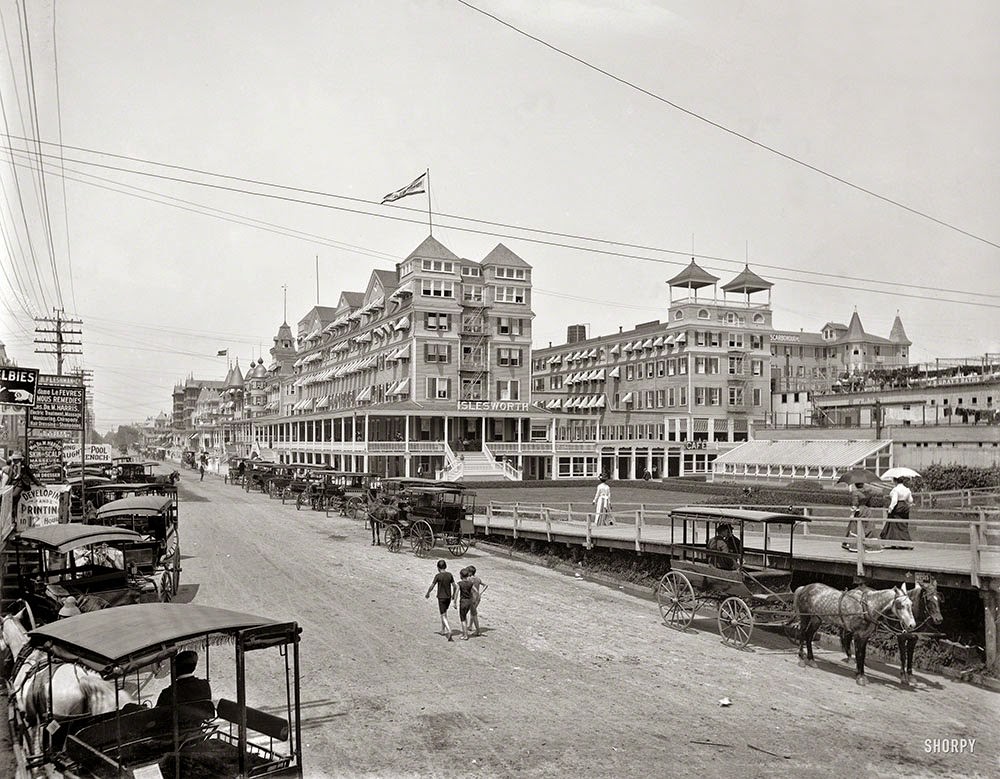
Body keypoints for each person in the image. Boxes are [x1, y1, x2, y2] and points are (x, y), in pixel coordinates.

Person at [155, 650, 215, 726]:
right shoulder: (205, 685)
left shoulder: (167, 692)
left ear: (175, 668)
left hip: (172, 735)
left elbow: (156, 716)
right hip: (196, 730)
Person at [425, 559, 457, 641]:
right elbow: (455, 586)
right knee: (445, 613)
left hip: (441, 597)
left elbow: (432, 586)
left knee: (442, 615)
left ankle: (448, 630)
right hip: (448, 597)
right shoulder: (450, 575)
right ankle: (443, 630)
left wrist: (428, 593)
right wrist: (453, 594)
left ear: (438, 568)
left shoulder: (438, 576)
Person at [843, 481, 878, 550]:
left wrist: (852, 514)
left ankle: (855, 545)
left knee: (855, 526)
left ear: (855, 485)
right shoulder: (868, 492)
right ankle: (870, 544)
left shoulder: (855, 493)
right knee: (868, 526)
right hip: (867, 510)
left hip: (860, 510)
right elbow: (869, 503)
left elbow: (855, 504)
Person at [880, 477, 914, 546]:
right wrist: (909, 504)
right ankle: (904, 541)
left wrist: (890, 508)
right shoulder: (907, 489)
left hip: (897, 506)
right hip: (904, 507)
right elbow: (910, 500)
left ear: (895, 481)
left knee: (894, 524)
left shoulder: (896, 489)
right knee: (903, 524)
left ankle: (895, 541)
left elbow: (894, 500)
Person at [6, 452, 40, 517]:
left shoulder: (24, 466)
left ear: (19, 459)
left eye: (16, 459)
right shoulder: (12, 466)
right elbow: (10, 477)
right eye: (13, 459)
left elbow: (31, 475)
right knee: (9, 498)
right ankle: (13, 516)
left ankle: (16, 500)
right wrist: (6, 485)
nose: (14, 461)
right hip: (13, 483)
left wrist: (38, 483)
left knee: (14, 496)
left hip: (21, 483)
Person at [465, 565, 487, 637]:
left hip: (472, 597)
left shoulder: (469, 579)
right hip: (478, 597)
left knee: (473, 613)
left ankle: (477, 630)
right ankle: (470, 626)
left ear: (470, 572)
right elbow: (485, 585)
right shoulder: (478, 579)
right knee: (473, 612)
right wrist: (481, 593)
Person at [457, 568, 476, 640]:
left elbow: (456, 593)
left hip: (463, 602)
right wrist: (474, 598)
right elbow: (476, 591)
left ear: (461, 576)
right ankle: (465, 632)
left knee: (462, 619)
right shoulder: (470, 584)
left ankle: (465, 635)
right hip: (469, 601)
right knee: (465, 617)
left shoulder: (460, 584)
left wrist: (454, 602)